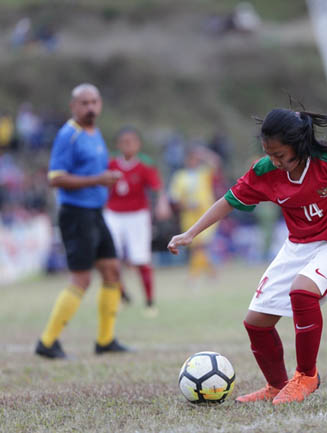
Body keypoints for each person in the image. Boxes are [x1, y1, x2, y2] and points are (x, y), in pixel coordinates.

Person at [168, 108, 327, 405]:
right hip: (298, 245)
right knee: (255, 322)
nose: (274, 160)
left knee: (302, 293)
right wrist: (191, 233)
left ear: (299, 145)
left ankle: (307, 375)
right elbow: (230, 199)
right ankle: (276, 384)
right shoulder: (265, 171)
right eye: (269, 153)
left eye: (280, 154)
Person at [35, 83, 131, 359]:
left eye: (94, 102)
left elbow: (94, 171)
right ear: (73, 107)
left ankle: (105, 340)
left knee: (112, 270)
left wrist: (106, 178)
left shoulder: (95, 132)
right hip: (75, 214)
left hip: (95, 213)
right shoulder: (69, 135)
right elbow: (55, 178)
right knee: (82, 278)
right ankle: (47, 342)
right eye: (84, 103)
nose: (90, 108)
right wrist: (98, 179)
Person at [104, 126, 171, 317]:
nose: (128, 145)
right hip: (113, 214)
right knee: (110, 259)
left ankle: (150, 303)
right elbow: (101, 184)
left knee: (141, 259)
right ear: (118, 145)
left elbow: (157, 187)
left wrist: (162, 203)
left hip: (137, 216)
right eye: (124, 142)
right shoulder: (110, 164)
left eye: (131, 141)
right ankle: (122, 295)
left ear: (138, 144)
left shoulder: (145, 164)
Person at [168, 145, 221, 280]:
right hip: (189, 217)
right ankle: (211, 272)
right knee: (197, 248)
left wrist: (203, 153)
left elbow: (216, 162)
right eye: (191, 158)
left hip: (206, 215)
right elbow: (175, 197)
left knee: (200, 247)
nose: (194, 161)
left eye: (195, 158)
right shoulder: (180, 176)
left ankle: (192, 276)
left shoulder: (204, 173)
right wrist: (185, 205)